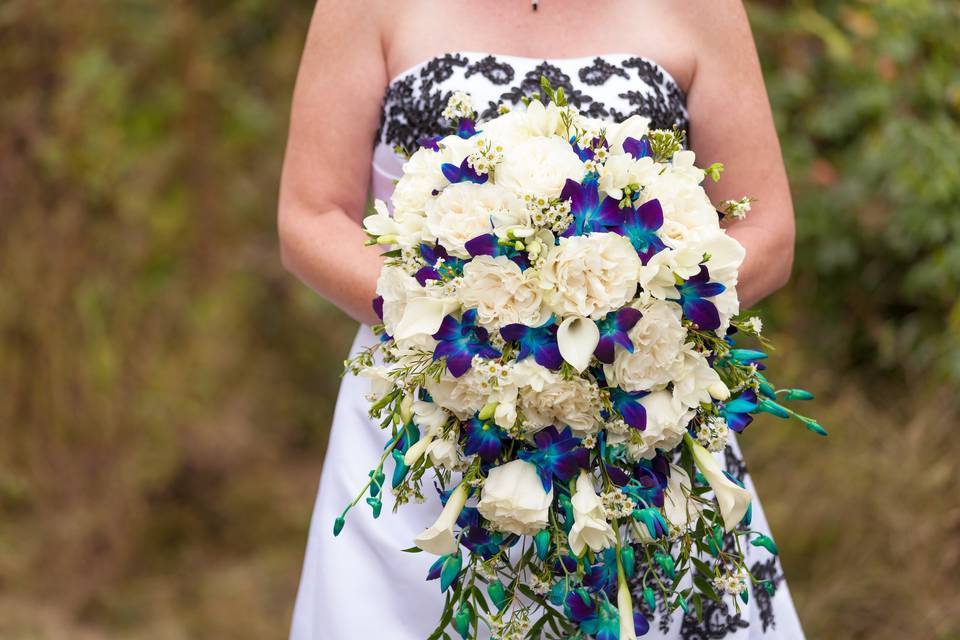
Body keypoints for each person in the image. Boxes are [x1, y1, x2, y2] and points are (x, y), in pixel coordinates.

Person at [278, 2, 803, 638]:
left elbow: (766, 227)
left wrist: (638, 323)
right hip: (426, 417)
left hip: (640, 425)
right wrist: (467, 324)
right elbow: (310, 216)